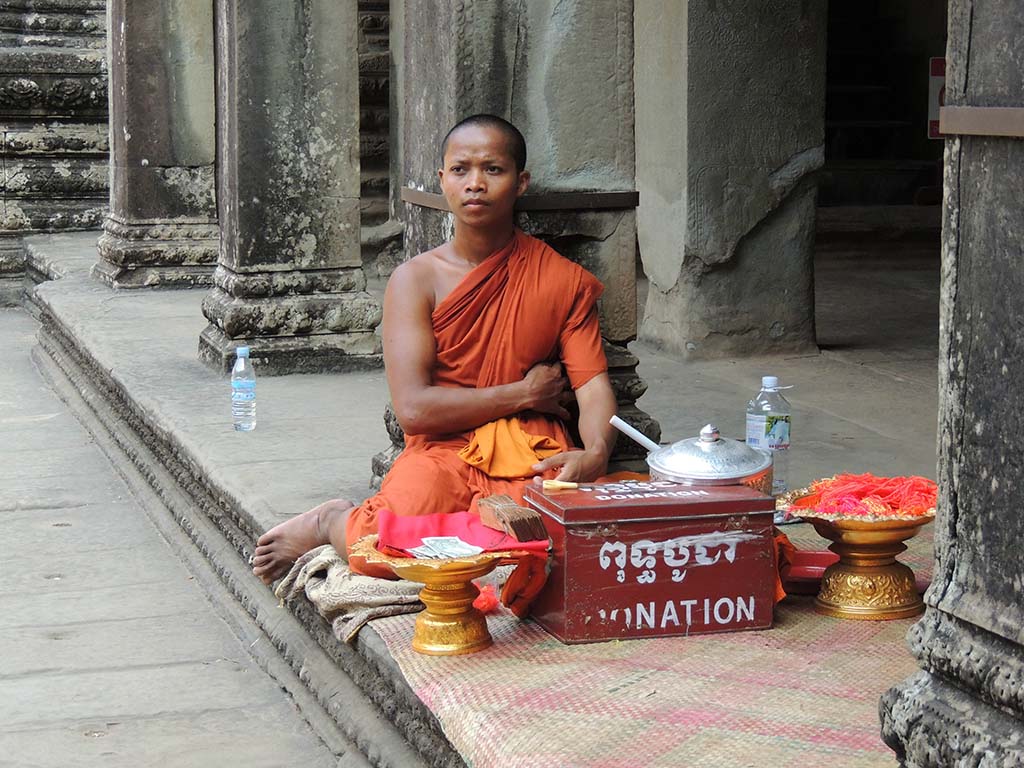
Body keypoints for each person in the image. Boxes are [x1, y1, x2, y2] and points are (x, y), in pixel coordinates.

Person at [252, 114, 617, 584]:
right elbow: (415, 411)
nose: (476, 184)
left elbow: (592, 388)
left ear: (521, 182)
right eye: (461, 170)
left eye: (493, 169)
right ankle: (331, 522)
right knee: (376, 549)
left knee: (546, 544)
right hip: (442, 446)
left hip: (529, 447)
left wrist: (595, 452)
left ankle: (470, 540)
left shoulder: (560, 279)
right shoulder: (416, 280)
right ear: (442, 180)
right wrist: (524, 394)